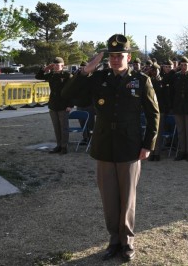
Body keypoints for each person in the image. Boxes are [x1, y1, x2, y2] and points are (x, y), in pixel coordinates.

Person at [61, 34, 159, 262]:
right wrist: (86, 71)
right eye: (112, 56)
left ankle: (127, 242)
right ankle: (114, 240)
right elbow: (68, 94)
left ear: (128, 56)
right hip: (104, 144)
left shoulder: (142, 80)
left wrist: (148, 144)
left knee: (128, 198)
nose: (116, 60)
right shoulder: (98, 78)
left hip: (130, 145)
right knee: (109, 197)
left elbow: (154, 114)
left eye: (120, 55)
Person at [166, 56, 188, 161]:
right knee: (180, 131)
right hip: (178, 107)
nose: (184, 67)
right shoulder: (176, 76)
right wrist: (173, 70)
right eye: (182, 65)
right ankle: (182, 151)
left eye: (186, 65)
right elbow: (170, 90)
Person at [35, 57, 72, 155]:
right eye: (54, 65)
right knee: (56, 127)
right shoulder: (51, 75)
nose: (56, 66)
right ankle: (58, 145)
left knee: (64, 127)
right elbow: (38, 76)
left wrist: (70, 105)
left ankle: (64, 147)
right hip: (53, 104)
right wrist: (46, 68)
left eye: (58, 65)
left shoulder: (67, 75)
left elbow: (72, 90)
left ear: (63, 65)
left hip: (64, 105)